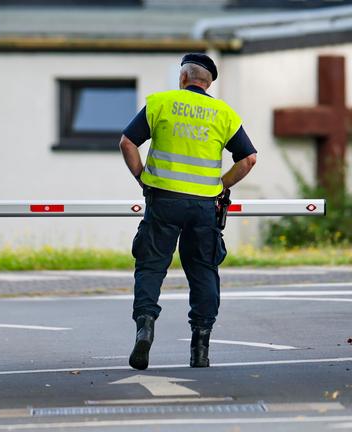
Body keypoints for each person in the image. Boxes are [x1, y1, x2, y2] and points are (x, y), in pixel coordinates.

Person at [118, 53, 258, 370]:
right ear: (208, 84)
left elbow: (127, 143)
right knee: (203, 271)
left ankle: (145, 326)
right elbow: (248, 159)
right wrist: (220, 185)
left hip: (163, 201)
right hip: (203, 207)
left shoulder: (161, 103)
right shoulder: (223, 114)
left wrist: (142, 177)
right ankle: (200, 348)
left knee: (151, 267)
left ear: (183, 78)